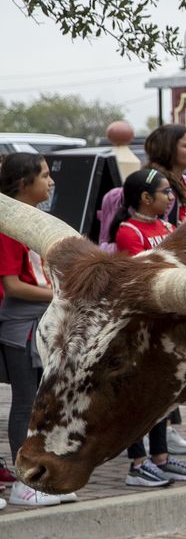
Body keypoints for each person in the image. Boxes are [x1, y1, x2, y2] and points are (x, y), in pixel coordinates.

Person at [106, 168, 186, 487]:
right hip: (140, 327)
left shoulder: (168, 226)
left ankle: (160, 456)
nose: (170, 197)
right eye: (165, 192)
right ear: (146, 198)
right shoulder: (128, 232)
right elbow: (142, 278)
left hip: (166, 325)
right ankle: (137, 462)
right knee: (135, 395)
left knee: (161, 395)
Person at [1, 153, 73, 507]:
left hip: (44, 318)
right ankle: (21, 482)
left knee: (42, 405)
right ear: (23, 183)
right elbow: (13, 286)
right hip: (22, 325)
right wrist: (58, 293)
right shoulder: (9, 226)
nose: (51, 181)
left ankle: (38, 476)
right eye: (44, 176)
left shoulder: (37, 221)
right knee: (26, 404)